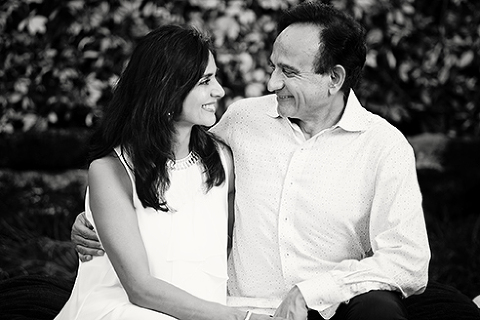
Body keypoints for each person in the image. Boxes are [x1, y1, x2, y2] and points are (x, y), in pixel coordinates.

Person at [71, 2, 431, 320]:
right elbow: (172, 168)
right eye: (273, 66)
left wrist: (313, 291)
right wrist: (99, 214)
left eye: (289, 72)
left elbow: (408, 261)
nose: (272, 83)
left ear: (334, 78)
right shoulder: (243, 120)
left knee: (380, 309)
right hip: (243, 307)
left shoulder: (383, 147)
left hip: (330, 309)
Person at [56, 24, 285, 320]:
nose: (219, 90)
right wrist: (242, 318)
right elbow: (140, 289)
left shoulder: (221, 161)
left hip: (204, 312)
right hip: (125, 311)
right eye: (205, 81)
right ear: (166, 89)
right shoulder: (111, 171)